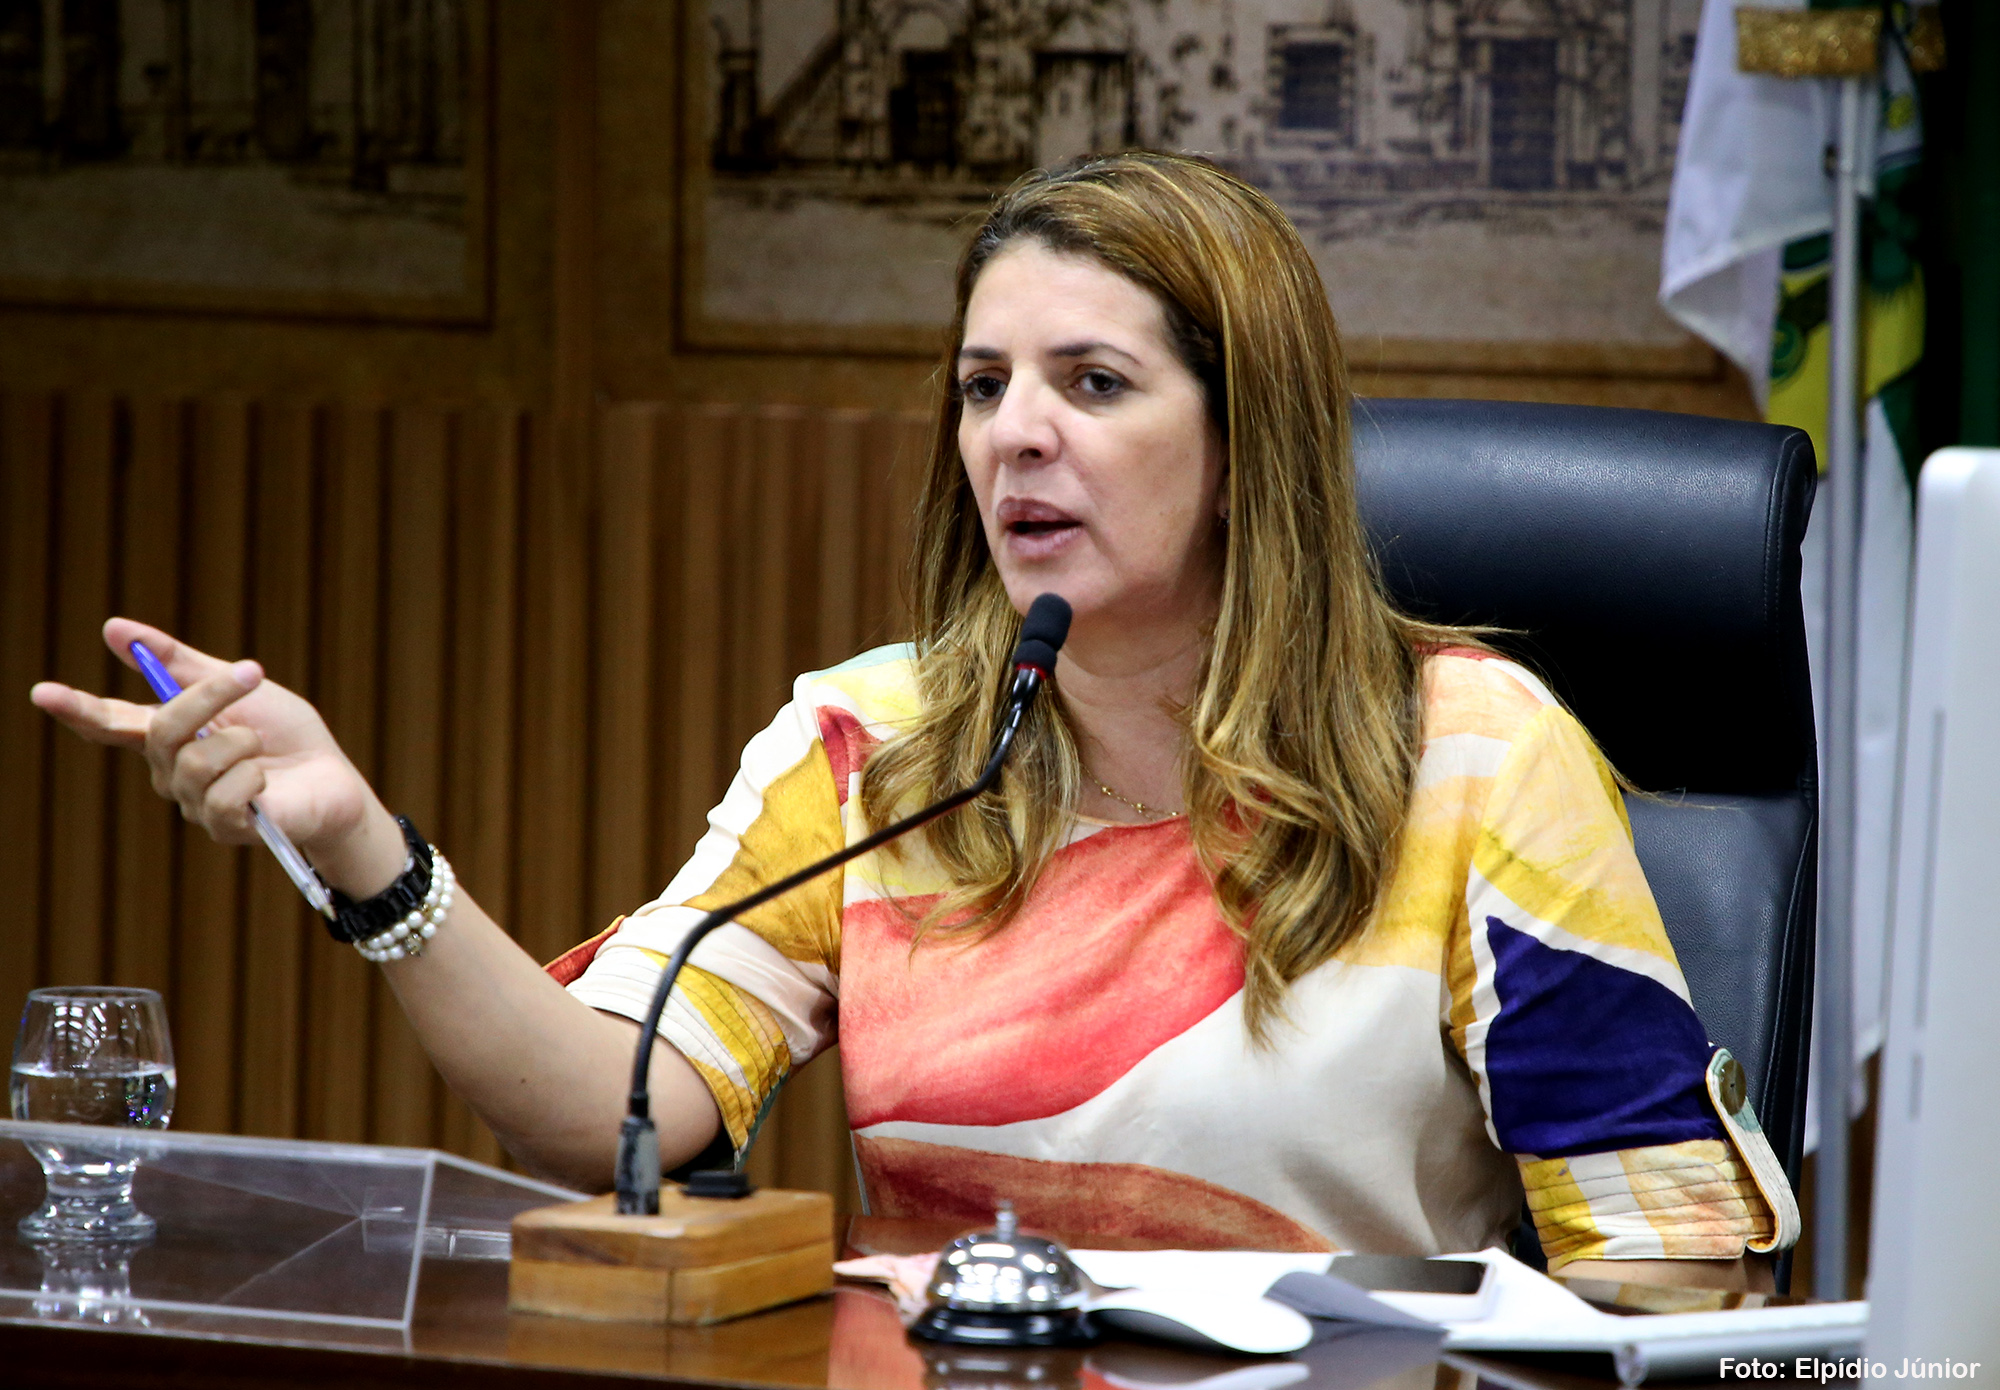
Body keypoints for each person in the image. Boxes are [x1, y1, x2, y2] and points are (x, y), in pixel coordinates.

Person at [32, 153, 1794, 1285]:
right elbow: (606, 1105)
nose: (1016, 432)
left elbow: (1675, 1272)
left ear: (1243, 439)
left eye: (1093, 383)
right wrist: (360, 845)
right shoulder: (875, 748)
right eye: (982, 385)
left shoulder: (1469, 756)